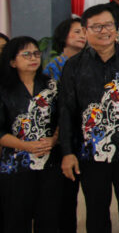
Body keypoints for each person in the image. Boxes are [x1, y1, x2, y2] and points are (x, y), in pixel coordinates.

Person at [59, 3, 119, 233]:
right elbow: (67, 111)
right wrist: (68, 152)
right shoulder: (74, 66)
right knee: (96, 211)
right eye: (96, 27)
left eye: (108, 25)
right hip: (90, 152)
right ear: (85, 30)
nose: (104, 31)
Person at [0, 36, 60, 232]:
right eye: (26, 54)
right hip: (16, 165)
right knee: (16, 219)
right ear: (12, 61)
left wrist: (54, 139)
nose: (33, 57)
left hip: (50, 162)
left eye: (36, 53)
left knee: (49, 218)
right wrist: (25, 145)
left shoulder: (51, 86)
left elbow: (63, 119)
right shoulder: (4, 89)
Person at [42, 18, 87, 233]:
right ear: (64, 37)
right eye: (76, 32)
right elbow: (53, 107)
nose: (82, 35)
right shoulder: (54, 67)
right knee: (64, 195)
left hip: (86, 136)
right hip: (63, 136)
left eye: (83, 32)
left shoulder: (87, 62)